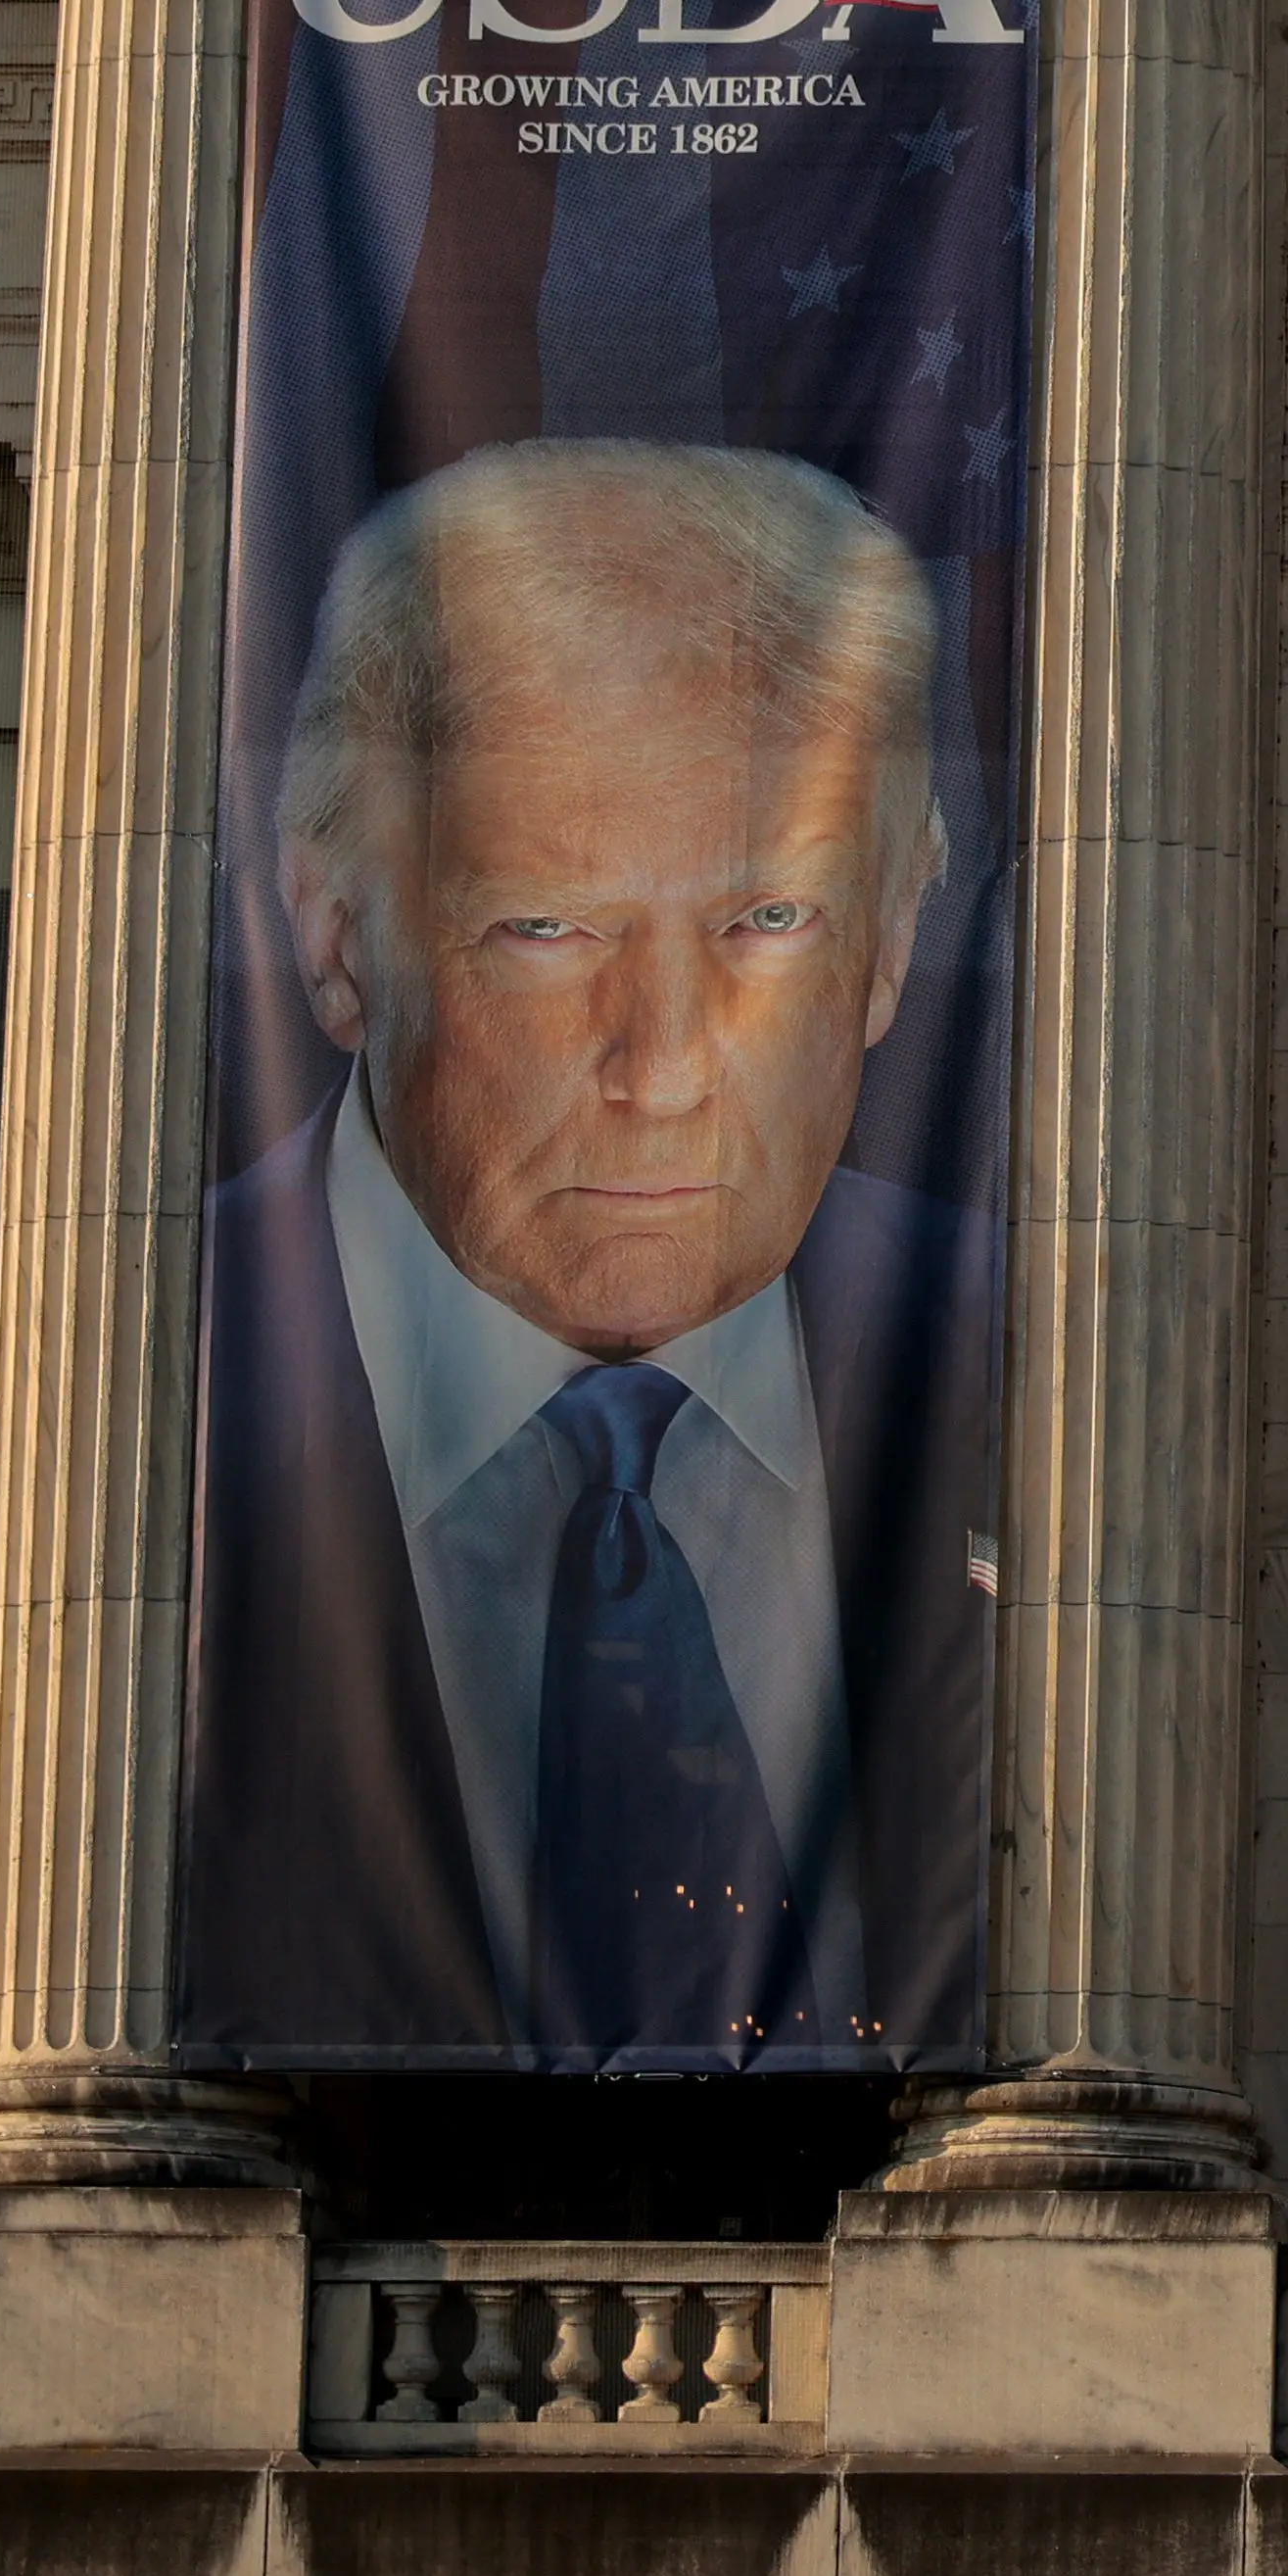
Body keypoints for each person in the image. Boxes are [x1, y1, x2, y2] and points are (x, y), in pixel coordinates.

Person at [183, 434, 991, 2073]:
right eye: (549, 929)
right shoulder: (143, 1373)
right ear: (336, 936)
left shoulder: (1050, 1364)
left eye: (769, 921)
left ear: (898, 934)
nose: (668, 1064)